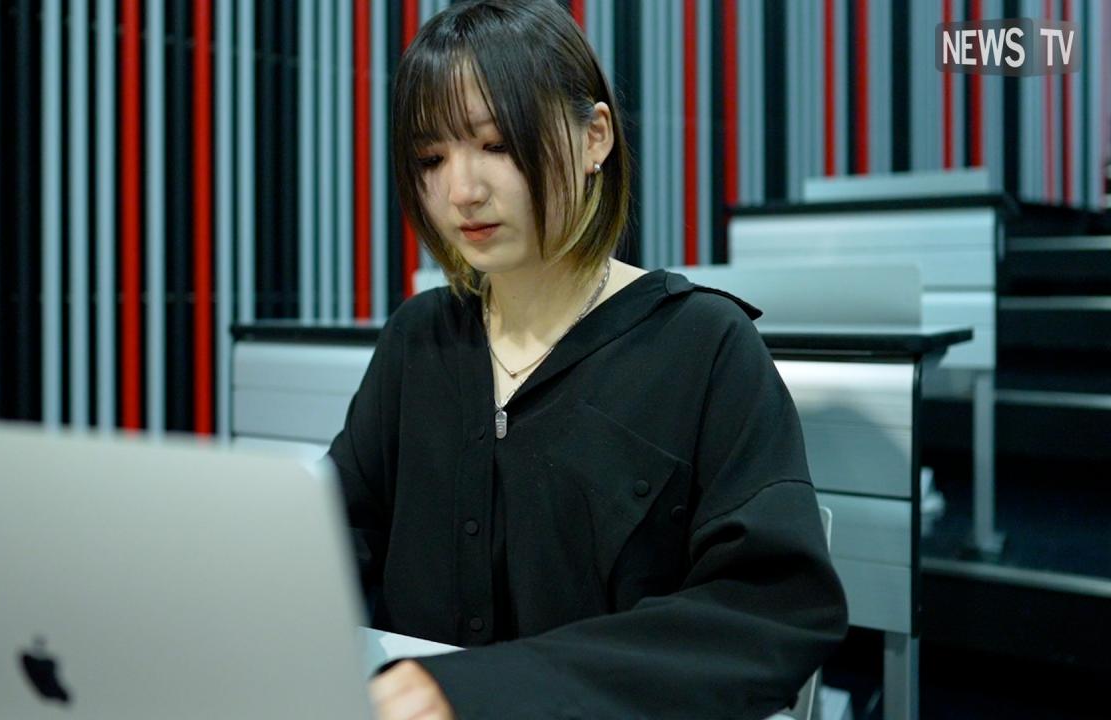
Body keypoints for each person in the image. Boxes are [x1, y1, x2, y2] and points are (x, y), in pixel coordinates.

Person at [328, 1, 848, 718]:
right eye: (431, 159)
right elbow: (336, 540)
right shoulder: (420, 339)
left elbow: (770, 606)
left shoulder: (703, 347)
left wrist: (488, 688)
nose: (462, 191)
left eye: (497, 144)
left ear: (594, 136)